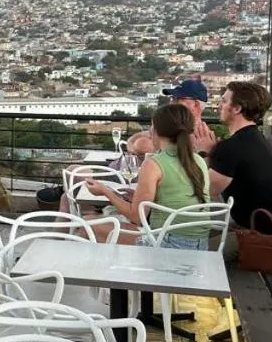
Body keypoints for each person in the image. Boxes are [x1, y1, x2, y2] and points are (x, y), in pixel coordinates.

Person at [85, 103, 213, 248]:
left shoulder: (154, 164)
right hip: (200, 244)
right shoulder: (198, 161)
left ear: (157, 130)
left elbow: (136, 217)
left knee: (87, 225)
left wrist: (105, 191)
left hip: (166, 244)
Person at [207, 81, 272, 239]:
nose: (219, 105)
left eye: (224, 101)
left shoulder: (232, 147)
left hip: (265, 241)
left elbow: (206, 191)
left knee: (193, 249)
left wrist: (204, 153)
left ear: (237, 108)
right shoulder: (254, 138)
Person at [162, 78, 219, 156]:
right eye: (172, 98)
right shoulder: (172, 132)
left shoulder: (203, 140)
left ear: (196, 104)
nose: (171, 103)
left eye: (177, 99)